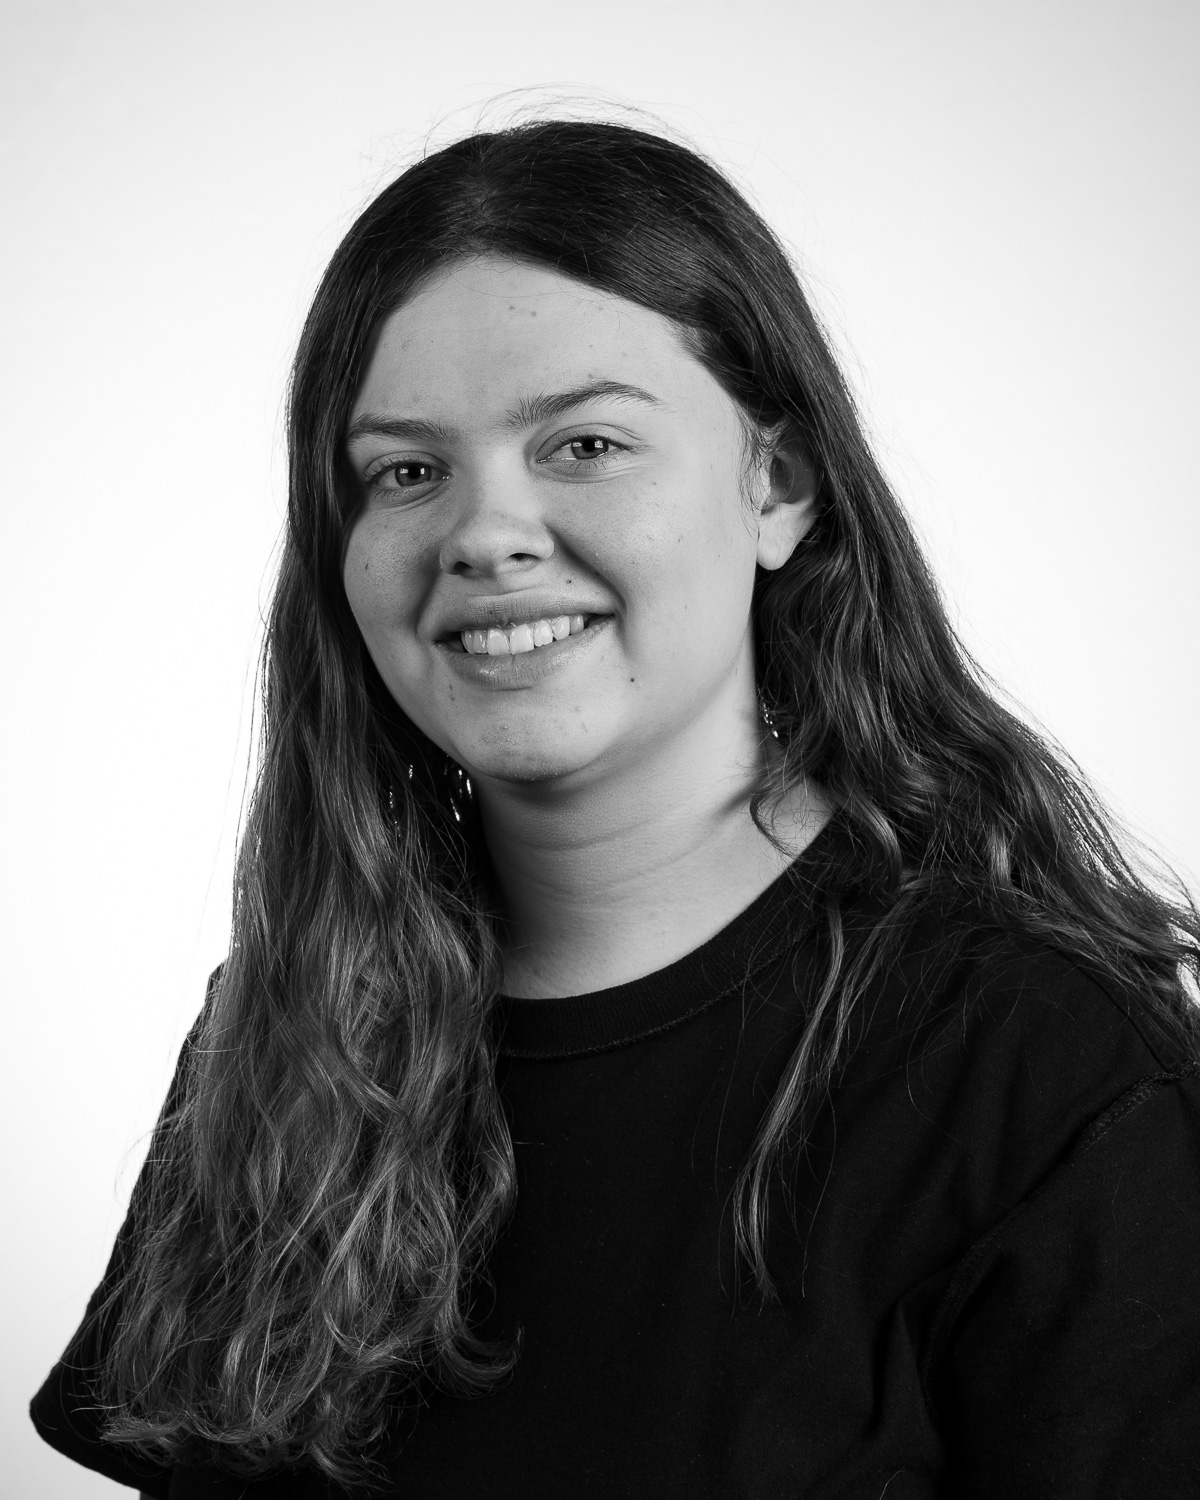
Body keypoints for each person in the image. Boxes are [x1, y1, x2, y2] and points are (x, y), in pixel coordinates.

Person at [30, 117, 1200, 1499]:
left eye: (584, 443)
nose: (485, 533)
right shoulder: (291, 1031)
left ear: (777, 487)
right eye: (406, 471)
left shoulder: (1045, 1071)